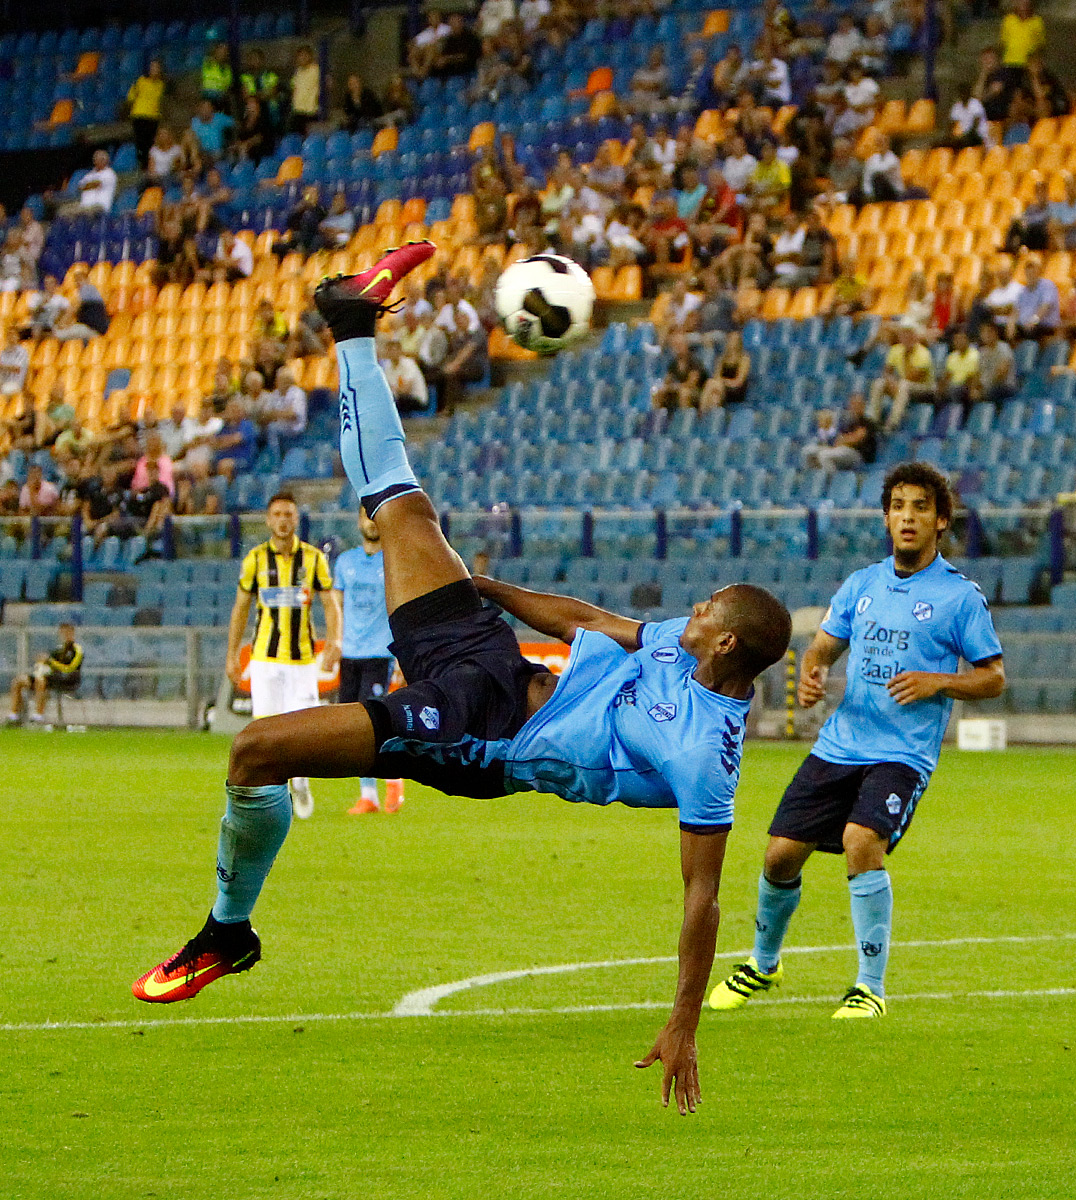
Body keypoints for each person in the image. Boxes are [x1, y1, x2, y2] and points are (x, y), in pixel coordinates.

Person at [132, 241, 794, 1117]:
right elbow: (592, 622)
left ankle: (226, 931)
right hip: (491, 661)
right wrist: (486, 588)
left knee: (256, 751)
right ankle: (352, 325)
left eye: (707, 610)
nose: (692, 611)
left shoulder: (706, 756)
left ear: (726, 644)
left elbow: (702, 898)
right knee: (403, 506)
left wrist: (683, 1021)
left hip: (484, 739)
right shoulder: (682, 644)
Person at [707, 462, 1004, 1018]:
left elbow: (993, 677)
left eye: (920, 508)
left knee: (861, 841)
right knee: (778, 856)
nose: (907, 517)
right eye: (898, 506)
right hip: (840, 745)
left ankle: (870, 988)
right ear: (886, 518)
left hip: (901, 754)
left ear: (941, 521)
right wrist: (813, 674)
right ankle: (763, 965)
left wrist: (939, 681)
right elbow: (821, 649)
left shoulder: (959, 597)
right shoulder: (862, 584)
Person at [225, 490, 340, 820]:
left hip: (302, 661)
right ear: (268, 520)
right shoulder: (256, 560)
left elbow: (330, 603)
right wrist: (232, 654)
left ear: (296, 519)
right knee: (266, 732)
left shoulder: (313, 559)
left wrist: (335, 640)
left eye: (288, 514)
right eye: (277, 514)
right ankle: (272, 796)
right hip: (264, 659)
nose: (283, 520)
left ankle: (300, 784)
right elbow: (241, 608)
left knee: (303, 731)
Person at [333, 511, 404, 815]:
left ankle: (392, 779)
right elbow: (335, 607)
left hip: (380, 654)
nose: (371, 522)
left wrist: (402, 655)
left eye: (375, 516)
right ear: (359, 521)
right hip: (350, 655)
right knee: (352, 728)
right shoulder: (344, 562)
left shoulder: (395, 561)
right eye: (366, 516)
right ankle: (369, 795)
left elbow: (402, 608)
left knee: (371, 723)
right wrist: (334, 642)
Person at [7, 622, 82, 724]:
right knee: (19, 681)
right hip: (50, 676)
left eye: (67, 632)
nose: (65, 635)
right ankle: (14, 715)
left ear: (72, 633)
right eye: (63, 633)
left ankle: (39, 715)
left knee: (40, 681)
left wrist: (50, 661)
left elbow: (70, 668)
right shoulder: (58, 649)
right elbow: (47, 663)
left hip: (66, 679)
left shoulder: (77, 649)